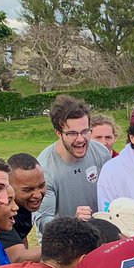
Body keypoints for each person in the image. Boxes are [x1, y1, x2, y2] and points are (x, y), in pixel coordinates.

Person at [35, 95, 112, 231]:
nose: (80, 139)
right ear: (58, 133)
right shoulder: (45, 168)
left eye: (85, 131)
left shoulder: (101, 153)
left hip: (100, 235)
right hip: (65, 242)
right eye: (72, 134)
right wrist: (73, 223)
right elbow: (43, 220)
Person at [0, 154, 46, 261]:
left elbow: (20, 238)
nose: (38, 195)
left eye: (41, 186)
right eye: (28, 190)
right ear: (8, 186)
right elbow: (17, 257)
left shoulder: (24, 204)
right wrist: (66, 249)